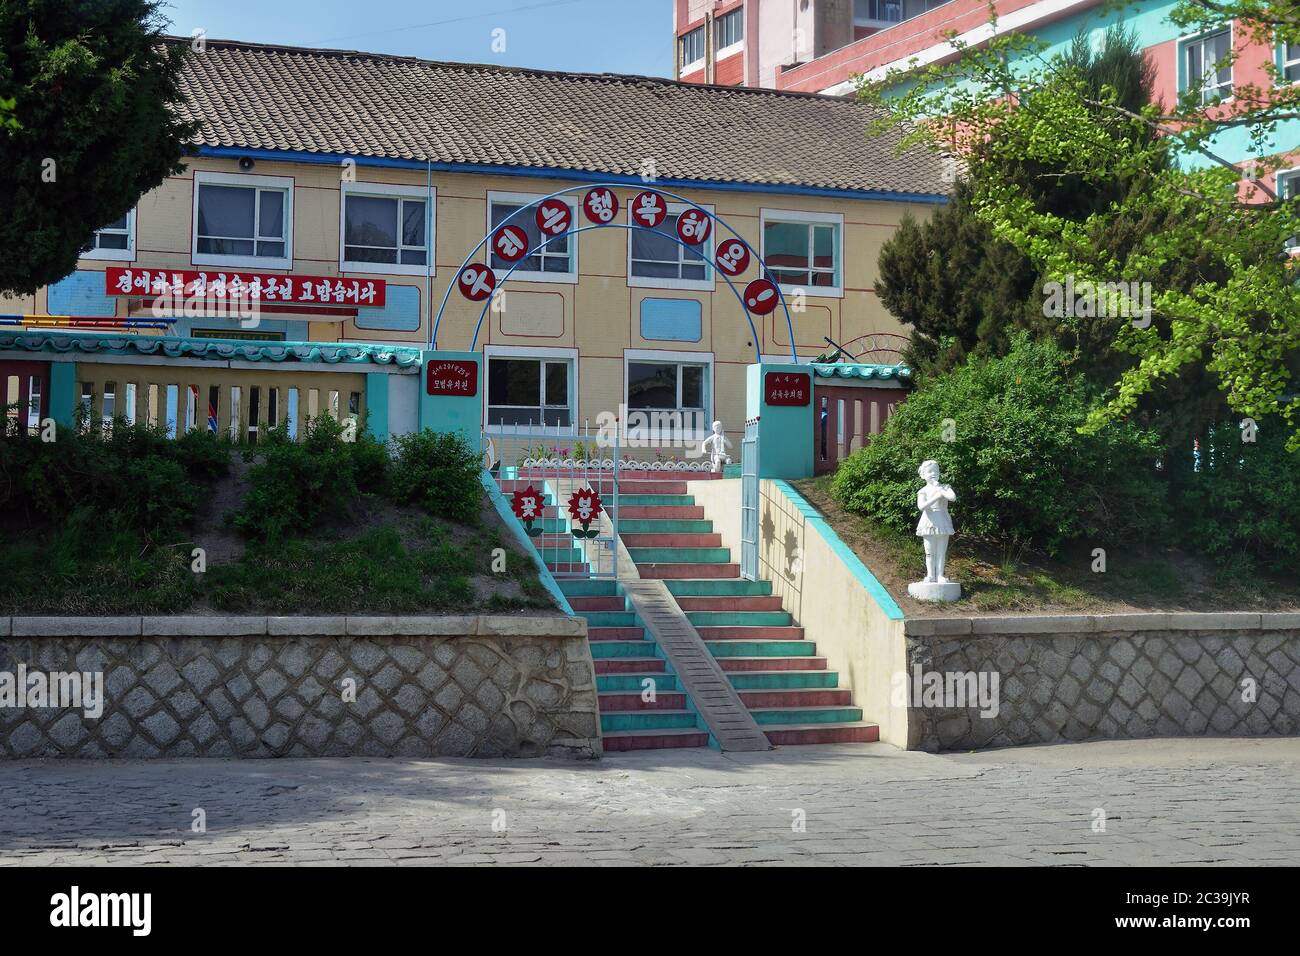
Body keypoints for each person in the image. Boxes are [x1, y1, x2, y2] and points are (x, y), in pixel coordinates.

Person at [915, 459, 955, 584]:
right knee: (929, 552)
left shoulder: (945, 487)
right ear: (923, 475)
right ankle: (930, 575)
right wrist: (936, 497)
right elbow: (921, 507)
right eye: (930, 471)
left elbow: (952, 498)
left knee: (941, 551)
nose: (933, 474)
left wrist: (941, 489)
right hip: (928, 520)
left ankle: (940, 575)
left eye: (936, 471)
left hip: (942, 519)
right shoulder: (923, 491)